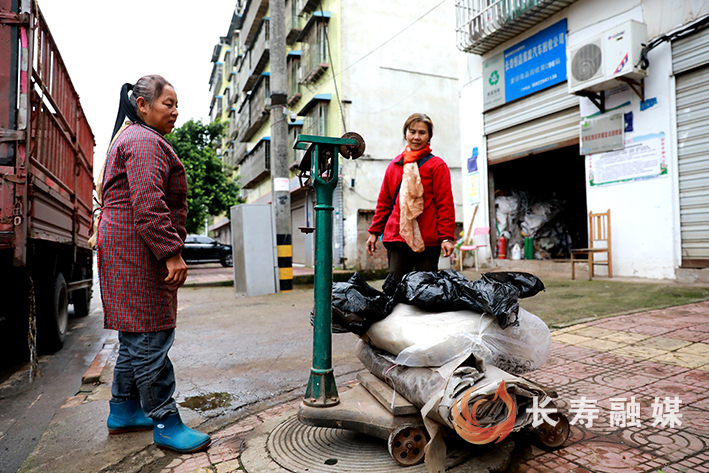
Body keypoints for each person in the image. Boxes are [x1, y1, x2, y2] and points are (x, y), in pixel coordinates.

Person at [97, 75, 210, 453]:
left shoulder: (133, 138)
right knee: (149, 336)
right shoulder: (143, 141)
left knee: (135, 337)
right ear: (142, 105)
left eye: (177, 105)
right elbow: (148, 204)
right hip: (137, 250)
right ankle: (165, 420)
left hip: (126, 247)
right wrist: (170, 251)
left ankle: (124, 410)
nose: (176, 112)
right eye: (168, 104)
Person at [366, 113, 456, 288]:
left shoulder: (437, 166)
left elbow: (445, 203)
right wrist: (374, 232)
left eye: (422, 133)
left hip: (427, 240)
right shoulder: (394, 165)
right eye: (412, 131)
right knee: (396, 289)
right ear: (405, 133)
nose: (416, 137)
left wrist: (446, 237)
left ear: (429, 136)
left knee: (425, 291)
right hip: (397, 238)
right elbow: (384, 202)